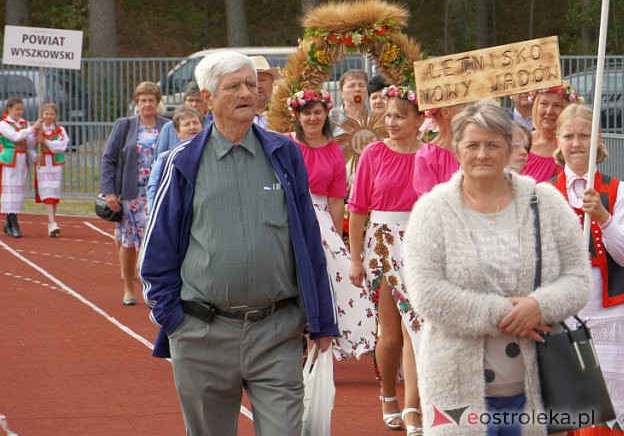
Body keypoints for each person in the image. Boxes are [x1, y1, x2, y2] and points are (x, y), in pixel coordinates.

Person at [139, 51, 339, 436]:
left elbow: (309, 242)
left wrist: (321, 318)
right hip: (202, 335)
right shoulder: (181, 162)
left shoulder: (285, 153)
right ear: (207, 97)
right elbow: (156, 250)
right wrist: (173, 321)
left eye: (252, 83)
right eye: (234, 86)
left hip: (277, 332)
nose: (247, 92)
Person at [404, 100, 591, 436]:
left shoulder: (545, 202)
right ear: (456, 149)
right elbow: (427, 294)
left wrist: (539, 306)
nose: (482, 155)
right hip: (457, 390)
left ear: (510, 148)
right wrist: (504, 314)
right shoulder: (431, 210)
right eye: (472, 145)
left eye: (492, 145)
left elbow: (577, 279)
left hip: (536, 388)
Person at [550, 104, 624, 435]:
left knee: (602, 410)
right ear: (557, 140)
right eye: (569, 136)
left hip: (608, 311)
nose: (577, 143)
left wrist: (605, 219)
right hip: (560, 313)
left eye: (584, 136)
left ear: (598, 139)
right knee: (564, 406)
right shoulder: (544, 194)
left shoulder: (618, 191)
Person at [347, 84, 425, 434]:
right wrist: (355, 259)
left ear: (420, 120)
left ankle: (413, 407)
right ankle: (387, 394)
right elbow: (358, 208)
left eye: (399, 116)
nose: (391, 122)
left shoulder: (431, 154)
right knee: (391, 334)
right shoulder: (374, 154)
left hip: (421, 244)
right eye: (388, 115)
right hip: (381, 245)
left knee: (417, 331)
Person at [288, 88, 375, 361]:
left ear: (326, 113)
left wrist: (336, 238)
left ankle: (317, 343)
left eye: (317, 112)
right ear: (297, 116)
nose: (312, 118)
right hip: (289, 213)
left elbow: (337, 200)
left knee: (325, 278)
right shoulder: (287, 144)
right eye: (307, 113)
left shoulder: (334, 151)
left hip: (322, 218)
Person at [101, 82, 169, 305]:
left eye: (151, 100)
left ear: (157, 102)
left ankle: (154, 289)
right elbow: (109, 158)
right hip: (131, 194)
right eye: (143, 100)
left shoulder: (167, 126)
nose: (147, 104)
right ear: (137, 103)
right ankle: (129, 288)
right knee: (129, 242)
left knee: (157, 241)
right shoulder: (125, 125)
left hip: (159, 192)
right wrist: (109, 191)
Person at [521, 83, 583, 183]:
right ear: (536, 106)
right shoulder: (522, 143)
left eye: (557, 106)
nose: (549, 111)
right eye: (544, 104)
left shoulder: (574, 147)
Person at [146, 107, 203, 205]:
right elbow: (154, 188)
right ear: (177, 131)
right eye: (186, 124)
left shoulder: (209, 153)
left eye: (195, 122)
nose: (192, 127)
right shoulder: (165, 158)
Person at [0, 97, 39, 238]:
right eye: (17, 109)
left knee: (18, 192)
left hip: (22, 161)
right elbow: (15, 137)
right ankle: (14, 224)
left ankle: (8, 223)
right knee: (10, 191)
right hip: (10, 159)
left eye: (21, 109)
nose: (19, 112)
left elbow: (29, 144)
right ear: (9, 109)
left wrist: (35, 134)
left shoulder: (25, 124)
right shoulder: (3, 124)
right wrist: (31, 129)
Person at [34, 103, 70, 237]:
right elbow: (31, 145)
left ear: (56, 116)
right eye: (46, 113)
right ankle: (52, 222)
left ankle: (51, 224)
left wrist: (46, 142)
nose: (48, 116)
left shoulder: (60, 130)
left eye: (51, 114)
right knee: (48, 193)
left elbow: (61, 147)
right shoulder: (38, 129)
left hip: (55, 166)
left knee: (54, 195)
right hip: (43, 165)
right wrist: (34, 155)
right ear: (42, 114)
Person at [413, 103, 465, 196]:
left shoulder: (477, 149)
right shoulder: (427, 155)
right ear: (445, 112)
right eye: (467, 105)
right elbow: (431, 203)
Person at [156, 82, 208, 155]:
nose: (194, 104)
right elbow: (159, 158)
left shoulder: (212, 127)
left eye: (198, 101)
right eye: (190, 100)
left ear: (207, 104)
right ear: (184, 102)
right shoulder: (169, 128)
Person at [251, 56, 280, 129]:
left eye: (262, 80)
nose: (258, 85)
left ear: (272, 82)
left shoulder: (283, 114)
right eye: (253, 81)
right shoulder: (237, 116)